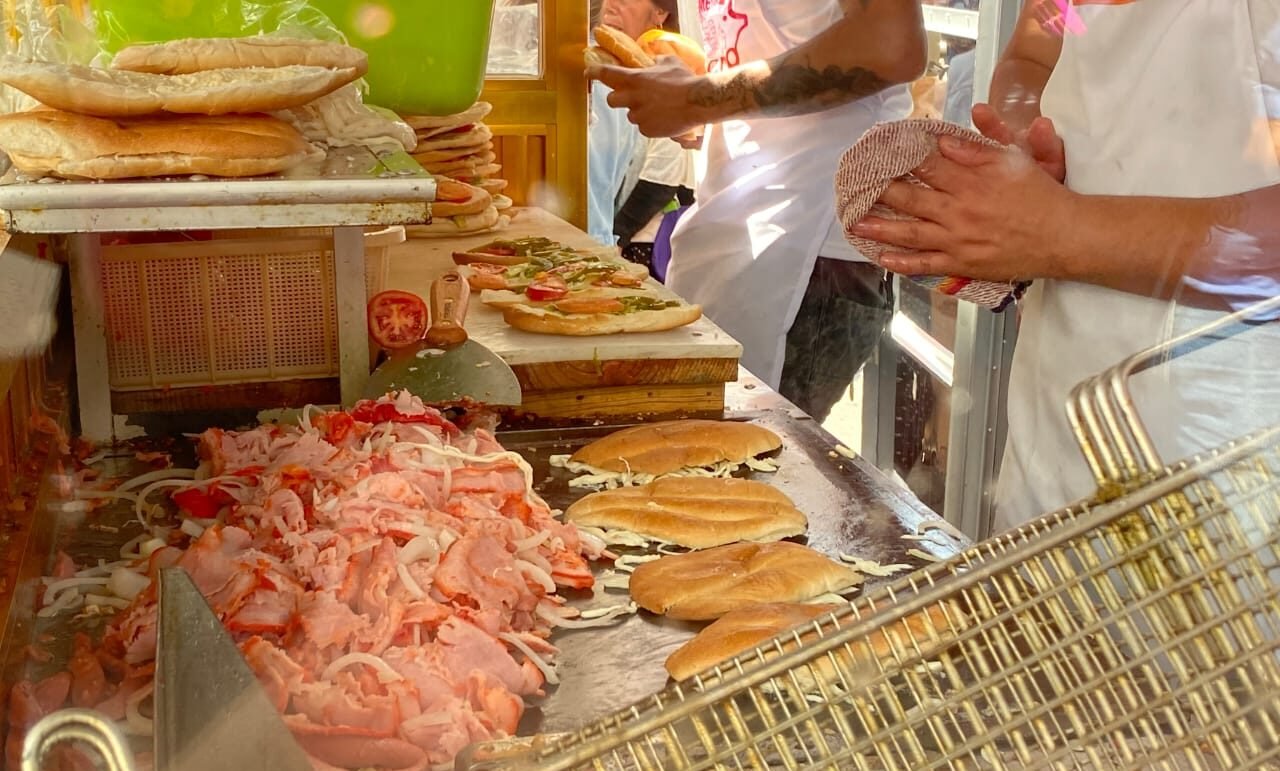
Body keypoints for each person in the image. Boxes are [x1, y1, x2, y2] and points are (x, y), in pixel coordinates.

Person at [848, 0, 1280, 529]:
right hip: (1061, 408)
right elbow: (1039, 44)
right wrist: (1028, 130)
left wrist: (1061, 230)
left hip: (1235, 443)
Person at [588, 1, 928, 422]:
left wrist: (698, 100)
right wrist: (704, 108)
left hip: (807, 247)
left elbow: (889, 44)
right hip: (738, 232)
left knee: (753, 459)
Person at [585, 0, 680, 245]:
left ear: (660, 11)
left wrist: (619, 239)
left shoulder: (670, 75)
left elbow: (663, 178)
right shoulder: (595, 63)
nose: (612, 4)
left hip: (597, 243)